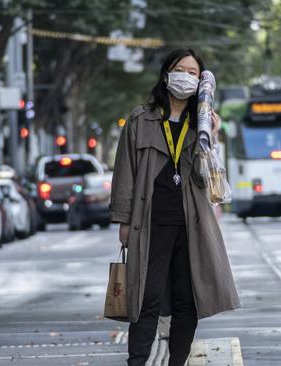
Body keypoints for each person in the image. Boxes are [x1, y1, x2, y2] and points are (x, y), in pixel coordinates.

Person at [110, 48, 240, 366]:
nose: (186, 76)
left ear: (201, 81)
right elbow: (125, 172)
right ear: (167, 74)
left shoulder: (202, 125)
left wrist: (212, 137)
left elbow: (208, 180)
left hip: (191, 224)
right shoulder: (140, 120)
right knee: (145, 297)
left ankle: (177, 362)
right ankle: (137, 362)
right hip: (150, 222)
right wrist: (123, 221)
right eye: (180, 69)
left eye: (193, 72)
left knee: (187, 300)